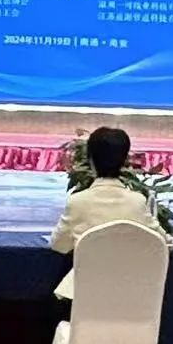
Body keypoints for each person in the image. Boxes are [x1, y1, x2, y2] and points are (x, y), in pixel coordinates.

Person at [50, 126, 159, 300]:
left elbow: (59, 246)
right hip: (131, 299)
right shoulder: (137, 202)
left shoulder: (78, 202)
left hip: (83, 298)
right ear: (125, 161)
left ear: (90, 160)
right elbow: (161, 240)